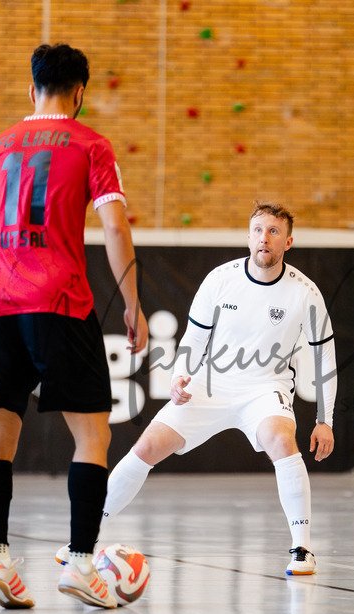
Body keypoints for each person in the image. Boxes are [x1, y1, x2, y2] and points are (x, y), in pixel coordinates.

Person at [0, 44, 148, 610]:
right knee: (93, 436)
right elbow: (114, 227)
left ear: (30, 89)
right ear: (80, 92)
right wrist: (131, 302)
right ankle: (82, 563)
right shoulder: (91, 145)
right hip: (59, 304)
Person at [57, 201, 336, 575]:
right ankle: (84, 538)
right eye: (257, 230)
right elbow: (193, 340)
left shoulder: (306, 293)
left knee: (282, 441)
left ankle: (302, 549)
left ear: (288, 242)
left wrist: (325, 419)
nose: (264, 238)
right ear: (247, 237)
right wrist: (179, 377)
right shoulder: (221, 278)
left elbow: (325, 359)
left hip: (265, 388)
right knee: (146, 446)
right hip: (210, 383)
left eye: (273, 232)